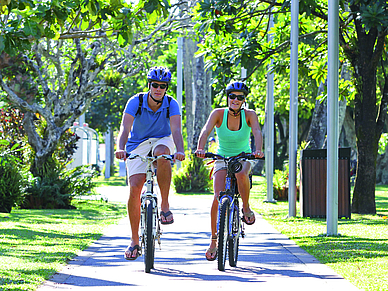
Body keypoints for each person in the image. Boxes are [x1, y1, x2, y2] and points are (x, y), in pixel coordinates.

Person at [115, 66, 185, 260]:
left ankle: (164, 205)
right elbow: (125, 127)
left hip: (162, 140)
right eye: (155, 85)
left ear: (166, 88)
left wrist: (180, 150)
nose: (158, 89)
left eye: (163, 86)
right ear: (149, 85)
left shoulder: (172, 104)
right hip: (137, 144)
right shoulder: (135, 102)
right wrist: (120, 148)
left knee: (163, 154)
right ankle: (134, 240)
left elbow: (176, 130)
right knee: (135, 188)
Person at [195, 81, 264, 261]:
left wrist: (258, 150)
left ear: (244, 100)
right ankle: (213, 241)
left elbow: (256, 131)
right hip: (222, 158)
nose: (235, 100)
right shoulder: (218, 114)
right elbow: (205, 130)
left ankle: (246, 208)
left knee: (241, 173)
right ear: (227, 97)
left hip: (243, 157)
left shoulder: (250, 115)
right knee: (218, 196)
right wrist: (200, 148)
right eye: (232, 96)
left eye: (239, 97)